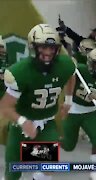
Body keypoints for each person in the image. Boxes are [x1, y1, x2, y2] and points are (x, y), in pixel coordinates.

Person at [0, 24, 76, 180]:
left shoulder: (65, 64)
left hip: (47, 123)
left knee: (47, 167)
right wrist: (23, 121)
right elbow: (5, 107)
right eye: (43, 47)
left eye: (51, 48)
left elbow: (71, 76)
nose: (48, 52)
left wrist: (68, 100)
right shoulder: (20, 72)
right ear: (33, 47)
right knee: (13, 172)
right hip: (20, 126)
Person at [61, 48, 96, 180]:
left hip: (90, 113)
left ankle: (94, 170)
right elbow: (67, 77)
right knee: (68, 146)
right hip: (73, 110)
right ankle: (39, 149)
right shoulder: (80, 70)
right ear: (90, 62)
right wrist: (69, 68)